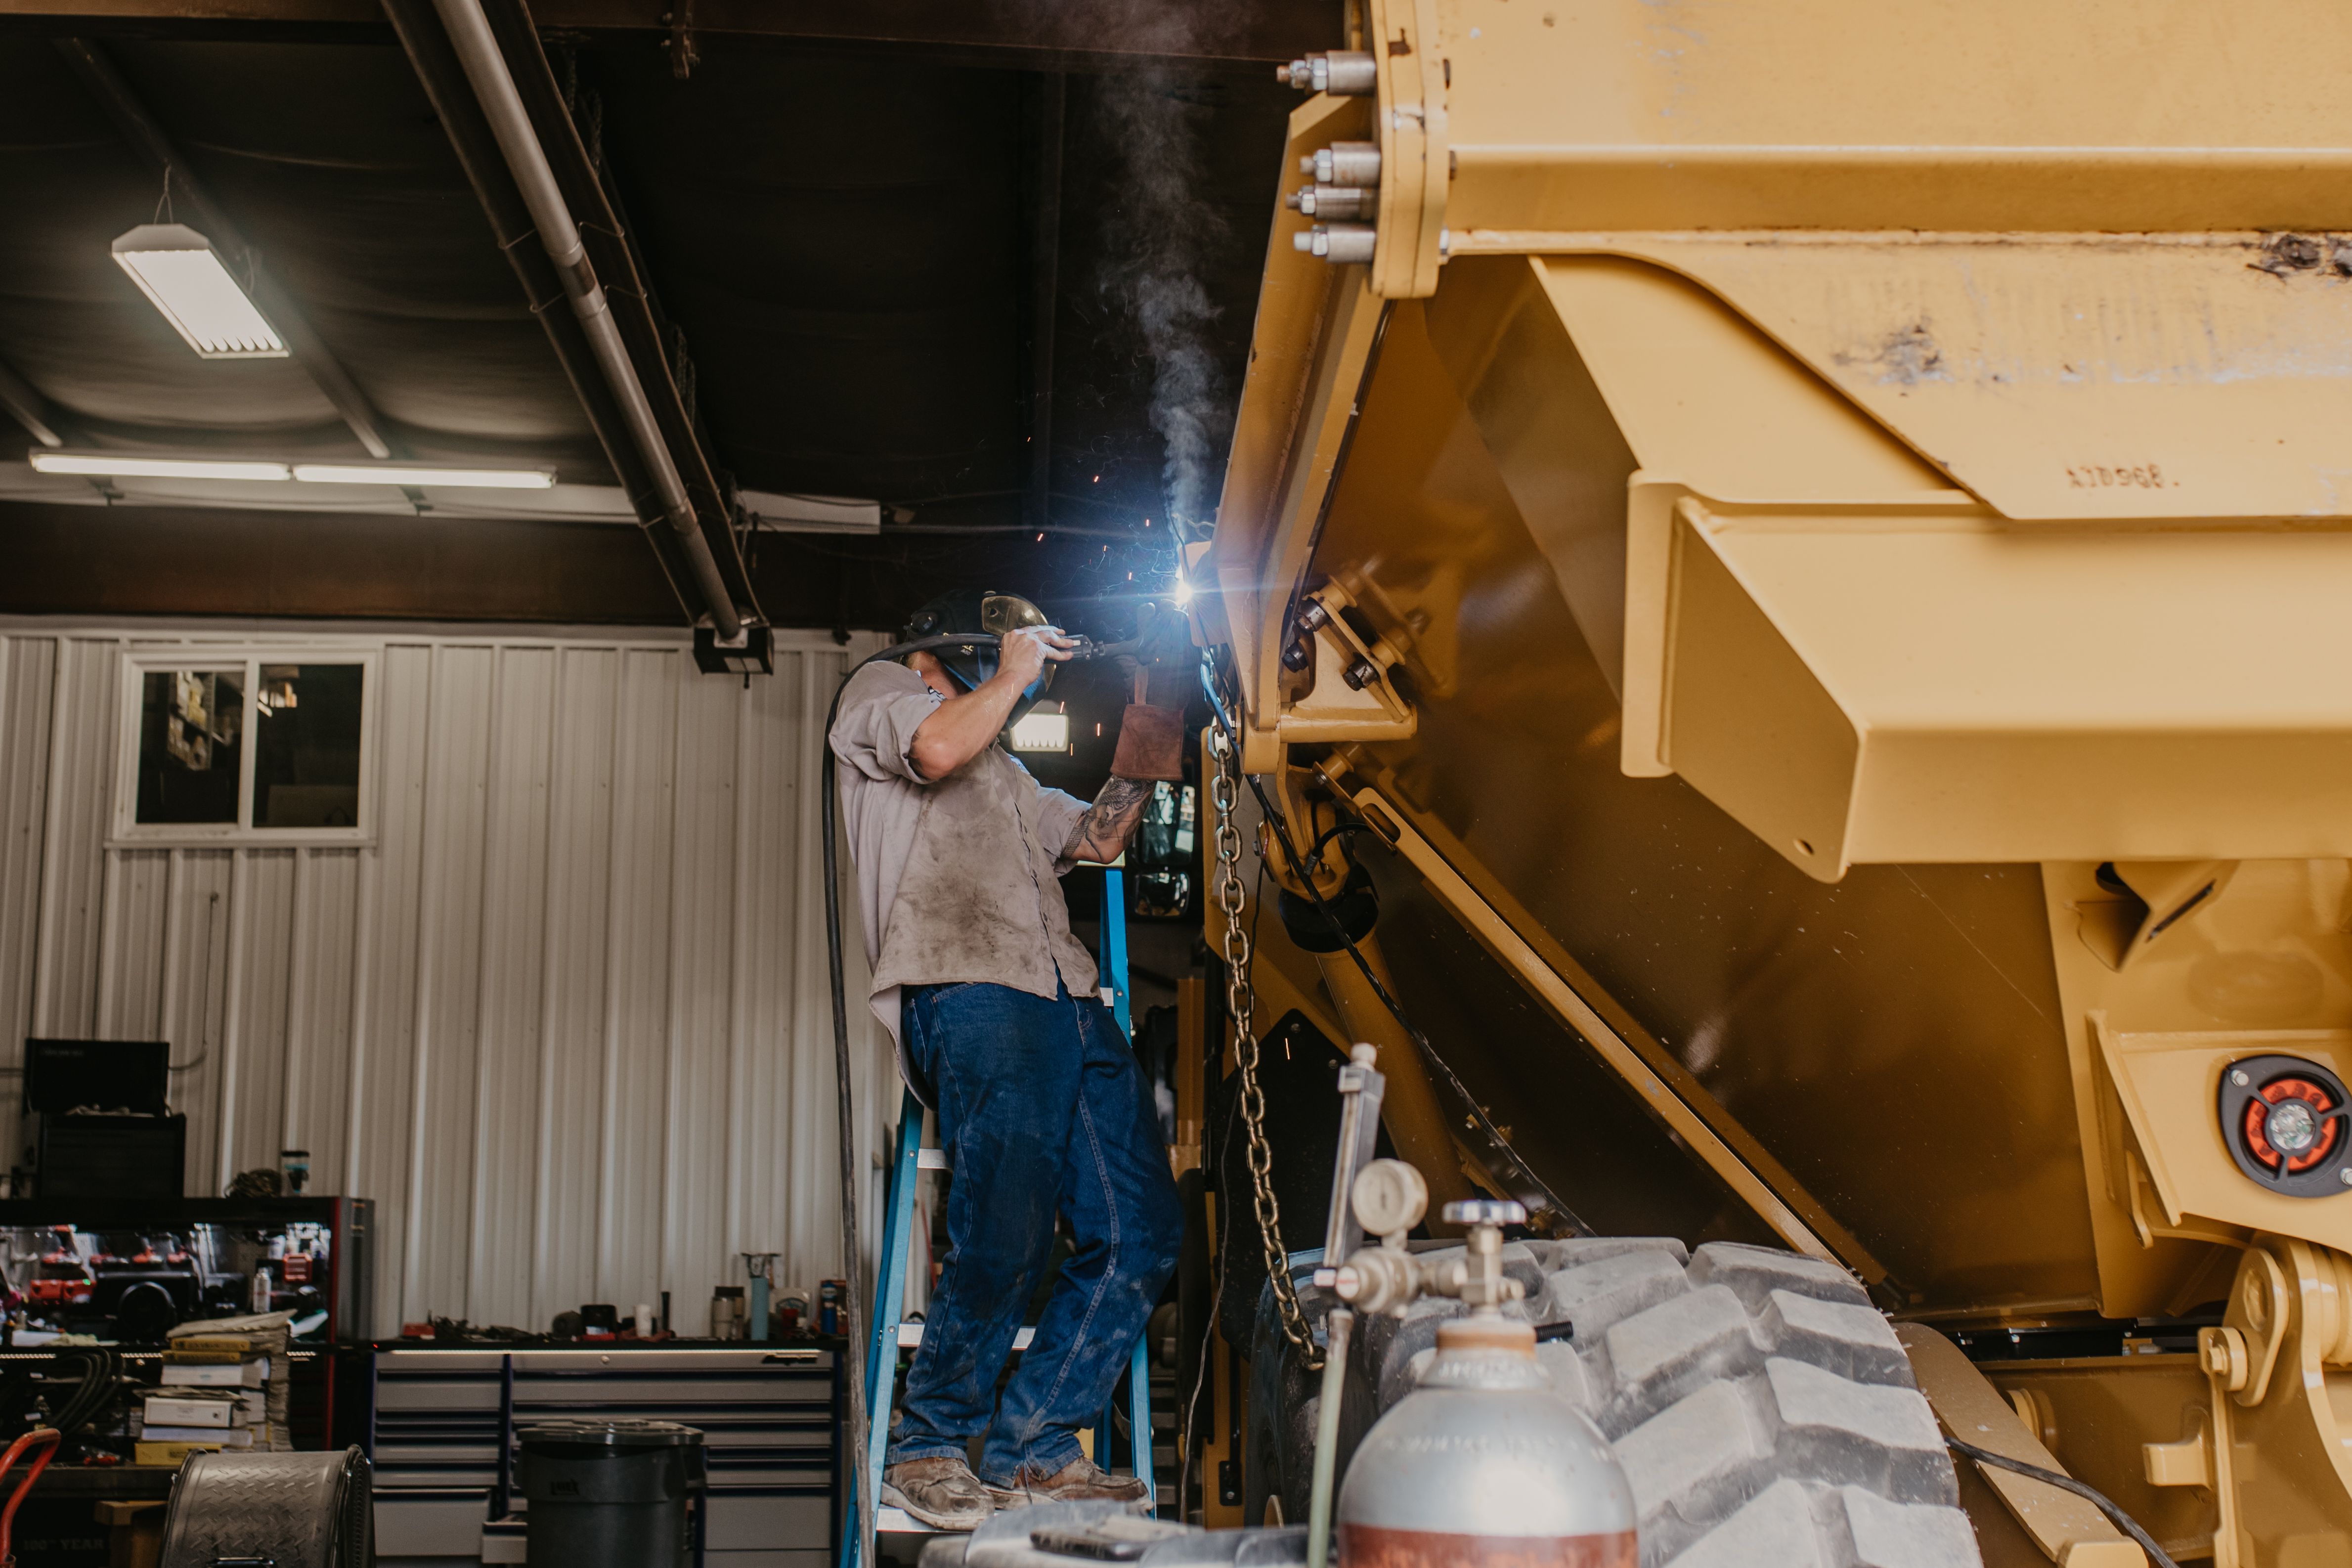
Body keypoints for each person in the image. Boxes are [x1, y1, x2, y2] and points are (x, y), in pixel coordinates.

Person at [828, 591, 1187, 1530]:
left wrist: (1152, 714)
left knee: (1142, 1229)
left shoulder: (1009, 773)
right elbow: (934, 749)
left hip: (1068, 997)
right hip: (970, 983)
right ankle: (928, 1445)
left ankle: (1037, 1444)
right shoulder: (879, 692)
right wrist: (1019, 670)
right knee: (1008, 1226)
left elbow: (1099, 839)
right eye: (985, 661)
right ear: (943, 656)